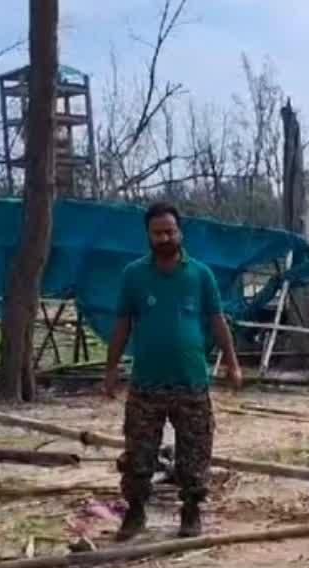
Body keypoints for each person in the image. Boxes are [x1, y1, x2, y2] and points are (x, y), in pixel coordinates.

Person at [104, 202, 242, 541]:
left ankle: (191, 512)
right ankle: (135, 514)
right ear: (148, 236)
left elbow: (216, 321)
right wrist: (110, 370)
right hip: (146, 384)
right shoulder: (134, 276)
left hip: (191, 381)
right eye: (158, 232)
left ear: (180, 232)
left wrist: (232, 362)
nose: (165, 237)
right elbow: (122, 324)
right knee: (139, 454)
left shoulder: (200, 275)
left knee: (195, 452)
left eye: (170, 231)